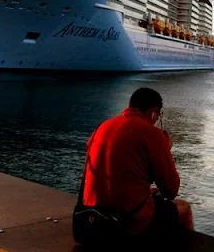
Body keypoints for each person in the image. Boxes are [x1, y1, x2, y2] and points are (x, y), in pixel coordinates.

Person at [82, 87, 194, 238]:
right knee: (183, 208)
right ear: (154, 111)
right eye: (158, 116)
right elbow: (171, 190)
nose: (156, 121)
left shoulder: (102, 126)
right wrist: (166, 150)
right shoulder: (152, 134)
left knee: (153, 195)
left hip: (91, 217)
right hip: (125, 222)